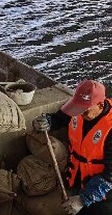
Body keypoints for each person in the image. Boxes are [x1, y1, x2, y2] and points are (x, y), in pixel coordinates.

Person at [33, 80, 112, 215]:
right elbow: (58, 119)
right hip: (77, 180)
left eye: (85, 111)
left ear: (100, 105)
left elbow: (110, 175)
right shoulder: (78, 109)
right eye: (78, 109)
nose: (80, 114)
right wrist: (46, 121)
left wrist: (83, 199)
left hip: (104, 192)